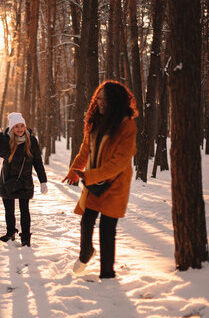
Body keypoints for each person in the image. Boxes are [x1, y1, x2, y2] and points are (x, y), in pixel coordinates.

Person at [62, 80, 137, 279]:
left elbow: (120, 162)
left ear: (116, 101)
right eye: (100, 98)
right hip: (93, 182)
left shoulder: (126, 125)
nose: (101, 103)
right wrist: (74, 170)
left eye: (106, 99)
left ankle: (107, 274)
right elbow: (85, 149)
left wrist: (91, 175)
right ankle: (86, 252)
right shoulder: (95, 121)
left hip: (115, 184)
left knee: (107, 228)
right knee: (87, 221)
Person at [0, 112, 48, 247]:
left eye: (22, 125)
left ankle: (26, 237)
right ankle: (10, 232)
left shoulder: (32, 141)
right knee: (9, 210)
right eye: (16, 126)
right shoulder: (7, 139)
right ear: (12, 128)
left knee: (24, 211)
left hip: (25, 181)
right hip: (8, 180)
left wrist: (43, 180)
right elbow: (4, 153)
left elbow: (38, 162)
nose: (20, 129)